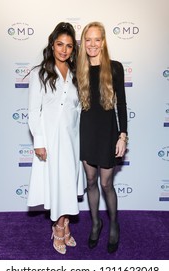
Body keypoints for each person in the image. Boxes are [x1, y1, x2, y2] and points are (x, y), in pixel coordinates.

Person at [27, 22, 85, 255]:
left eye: (69, 46)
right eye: (60, 44)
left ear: (73, 50)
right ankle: (59, 226)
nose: (64, 49)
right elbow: (33, 111)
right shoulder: (38, 72)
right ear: (52, 45)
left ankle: (64, 223)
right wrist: (39, 141)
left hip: (72, 140)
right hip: (50, 140)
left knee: (67, 184)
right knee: (56, 184)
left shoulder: (76, 76)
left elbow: (79, 111)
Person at [77, 22, 128, 253]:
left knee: (106, 183)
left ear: (104, 41)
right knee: (90, 182)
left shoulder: (115, 68)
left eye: (97, 39)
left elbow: (123, 105)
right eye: (88, 39)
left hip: (108, 132)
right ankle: (96, 223)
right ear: (83, 42)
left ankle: (114, 224)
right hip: (87, 131)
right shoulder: (79, 68)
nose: (92, 44)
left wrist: (123, 136)